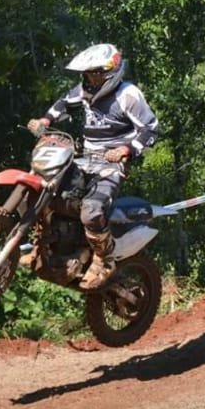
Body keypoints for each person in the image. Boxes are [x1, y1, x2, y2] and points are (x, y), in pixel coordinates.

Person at [27, 43, 159, 289]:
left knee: (91, 210)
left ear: (111, 72)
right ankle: (43, 247)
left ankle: (104, 259)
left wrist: (125, 150)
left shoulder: (128, 94)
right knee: (47, 191)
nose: (92, 78)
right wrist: (45, 120)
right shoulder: (85, 90)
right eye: (88, 73)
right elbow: (63, 102)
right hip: (84, 158)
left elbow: (151, 129)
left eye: (97, 73)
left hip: (112, 165)